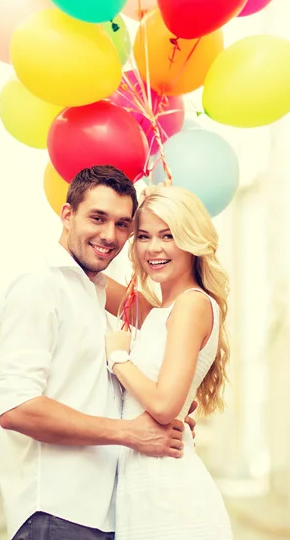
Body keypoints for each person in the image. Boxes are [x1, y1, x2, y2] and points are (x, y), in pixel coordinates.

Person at [0, 165, 196, 540]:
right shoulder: (40, 285)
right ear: (67, 215)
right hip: (55, 512)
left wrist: (171, 407)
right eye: (98, 218)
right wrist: (132, 433)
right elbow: (17, 408)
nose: (109, 236)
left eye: (123, 225)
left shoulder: (95, 290)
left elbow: (167, 325)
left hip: (103, 514)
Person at [104, 184, 234, 539]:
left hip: (171, 496)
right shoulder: (157, 311)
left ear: (191, 240)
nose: (154, 248)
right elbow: (92, 276)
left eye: (168, 234)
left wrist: (118, 358)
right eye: (143, 236)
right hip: (144, 489)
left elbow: (164, 405)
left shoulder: (192, 304)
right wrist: (132, 200)